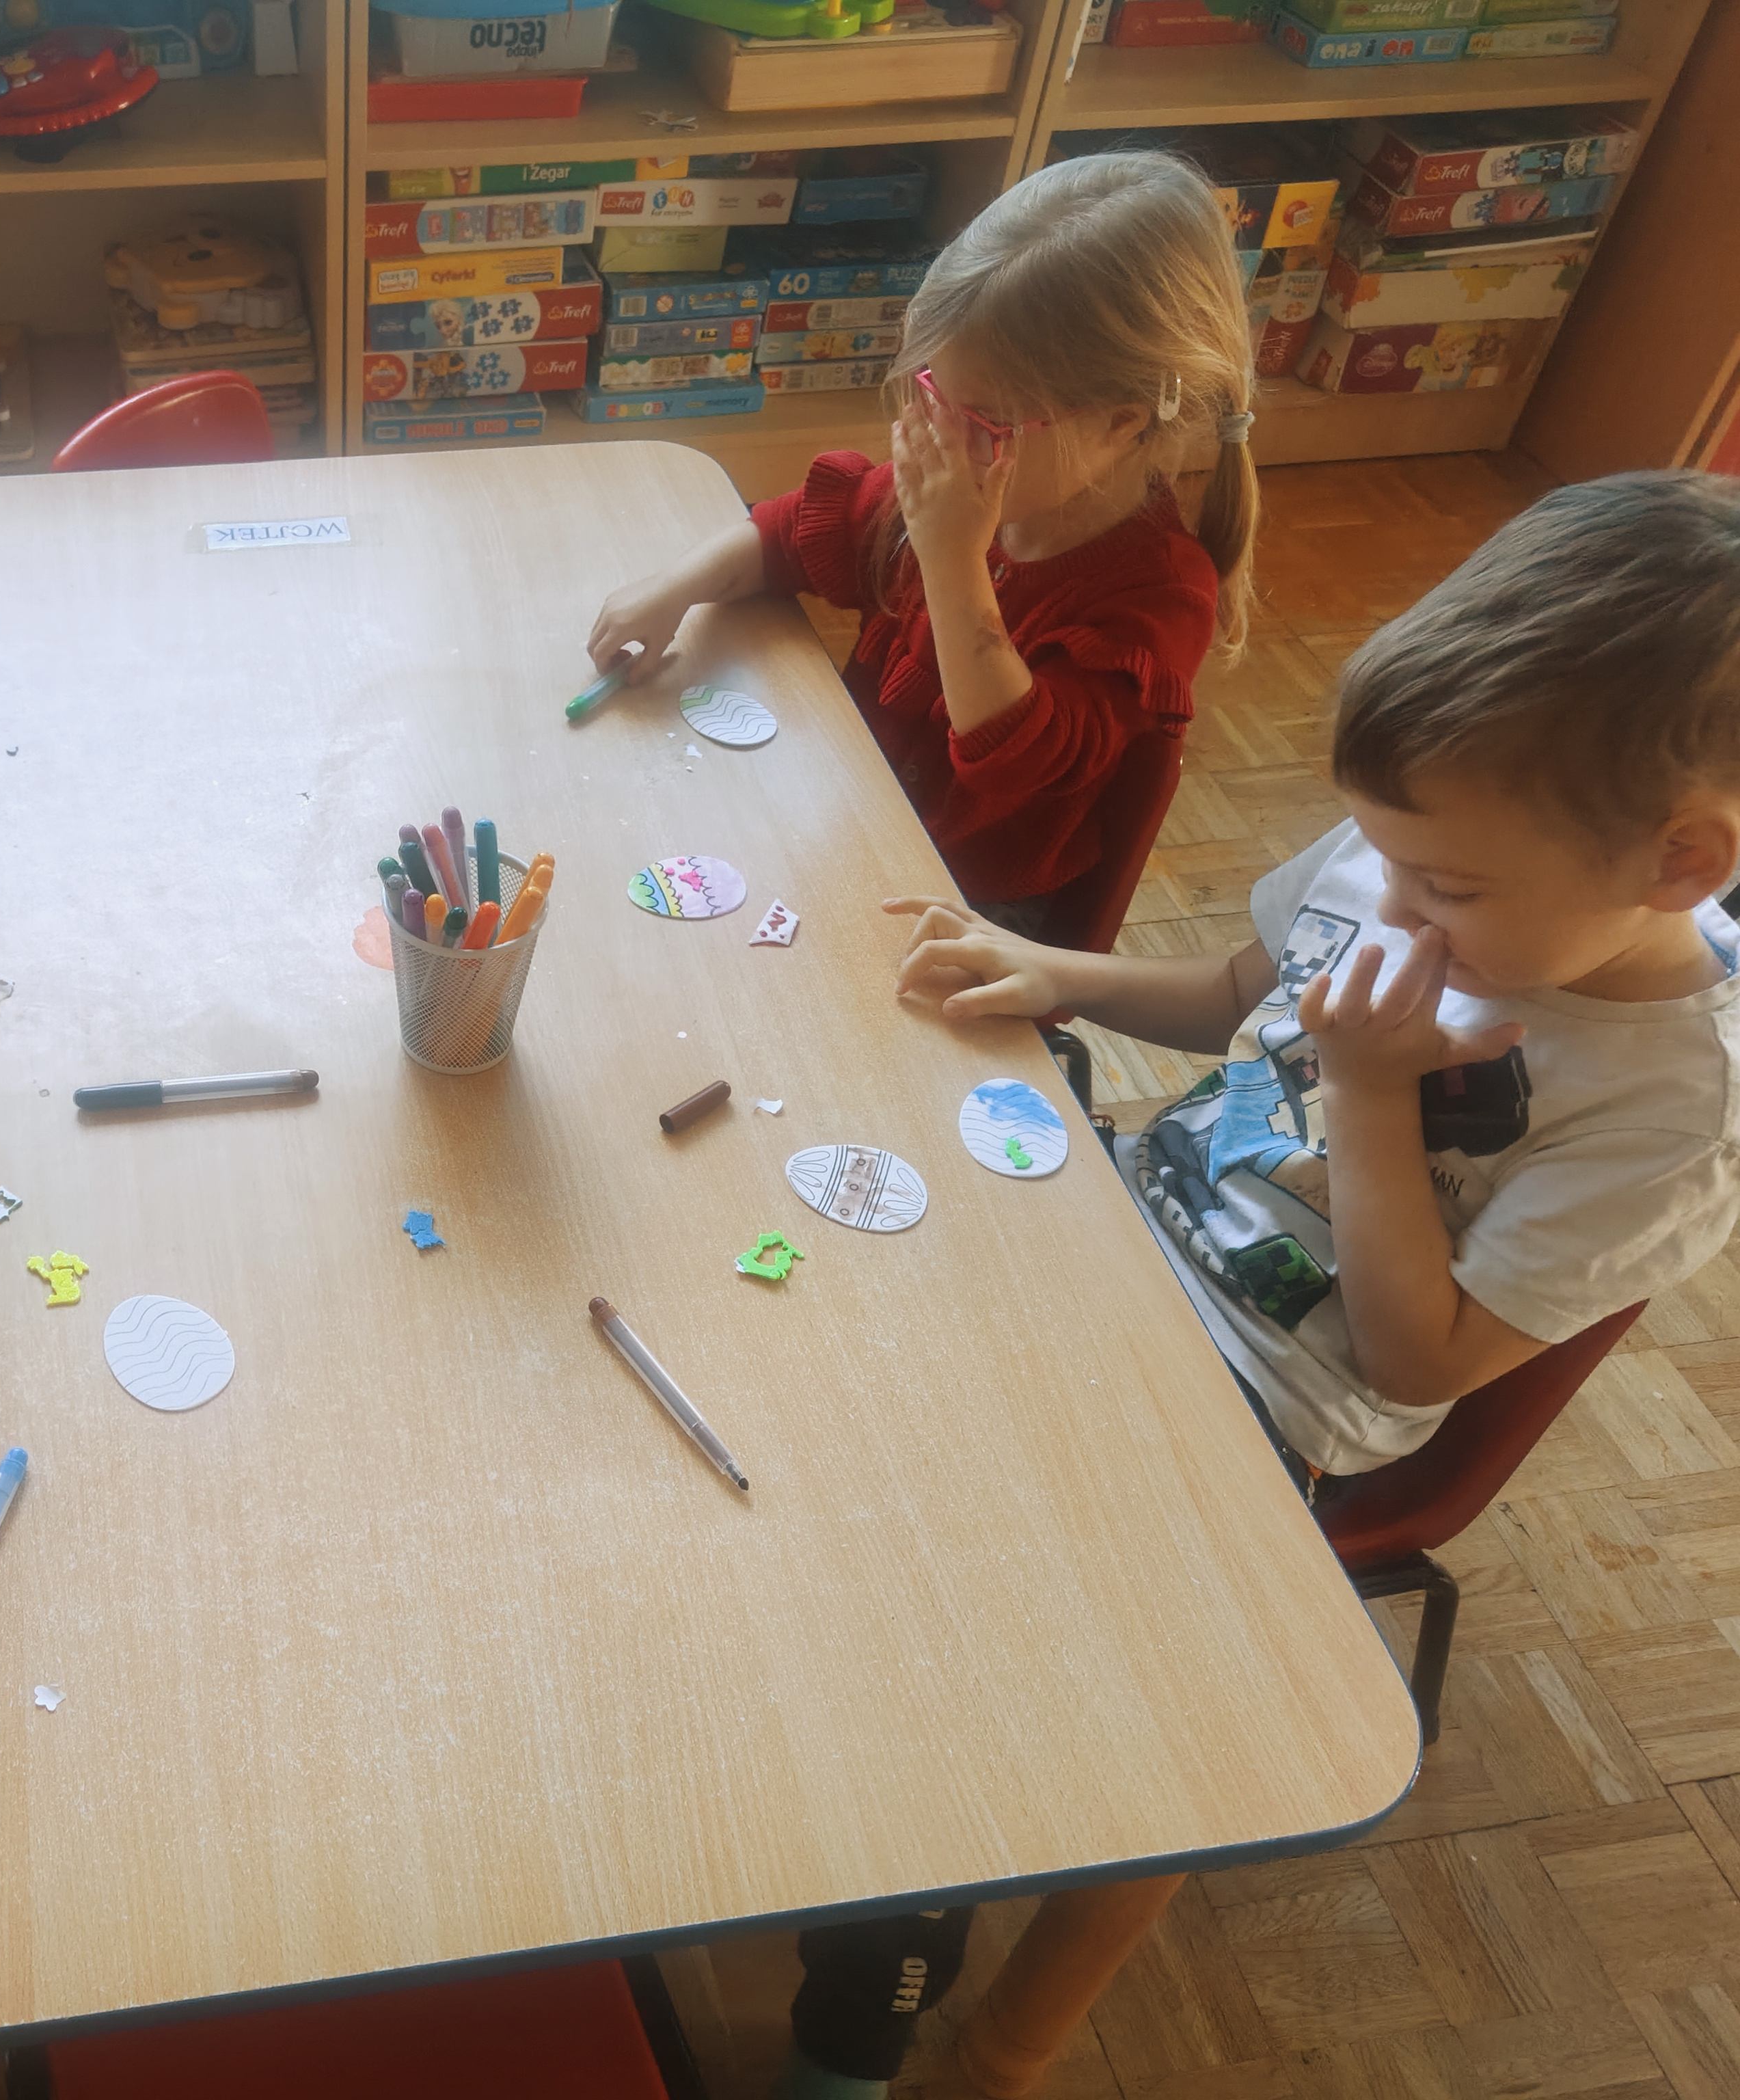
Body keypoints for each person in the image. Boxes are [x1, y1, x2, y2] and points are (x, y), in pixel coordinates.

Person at [892, 468, 1740, 1485]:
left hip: (1254, 1394)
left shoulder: (1674, 1119)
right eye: (1383, 857)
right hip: (1127, 1222)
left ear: (1679, 862)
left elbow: (1416, 1365)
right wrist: (1052, 970)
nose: (1391, 906)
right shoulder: (1430, 837)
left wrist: (1369, 1092)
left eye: (1446, 890)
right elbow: (1239, 996)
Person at [588, 150, 1259, 941]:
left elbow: (1016, 759)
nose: (937, 434)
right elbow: (794, 532)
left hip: (976, 911)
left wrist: (951, 556)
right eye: (933, 390)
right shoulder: (968, 483)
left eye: (982, 421)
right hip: (862, 813)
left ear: (1119, 424)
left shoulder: (1159, 596)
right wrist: (673, 588)